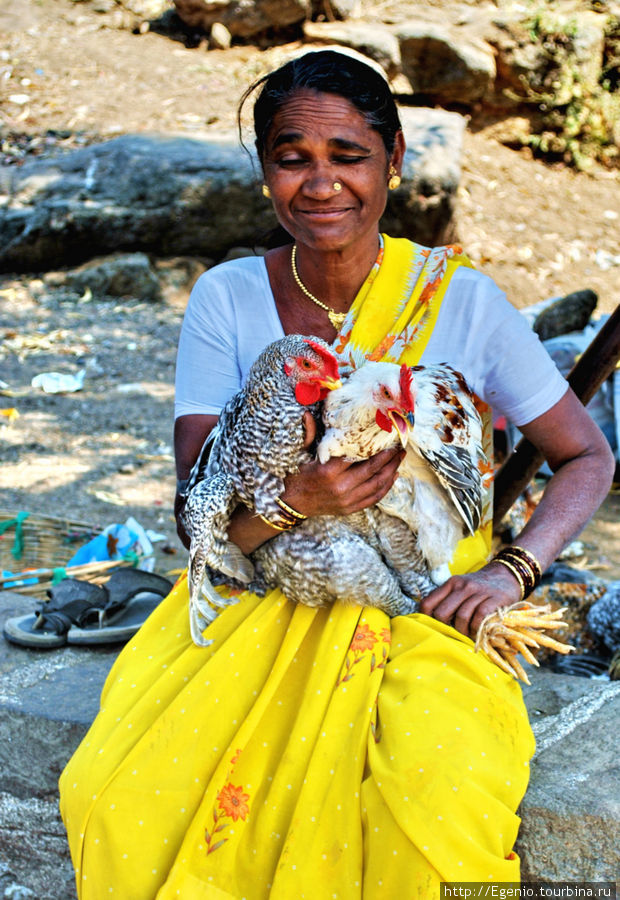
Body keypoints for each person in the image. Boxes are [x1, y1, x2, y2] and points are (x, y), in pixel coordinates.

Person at [60, 50, 614, 899]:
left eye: (347, 156)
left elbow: (587, 455)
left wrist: (513, 569)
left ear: (392, 160)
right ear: (265, 171)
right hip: (255, 596)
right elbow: (201, 518)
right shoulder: (228, 300)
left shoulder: (460, 301)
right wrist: (294, 502)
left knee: (437, 797)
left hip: (425, 607)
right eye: (292, 157)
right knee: (117, 792)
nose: (321, 185)